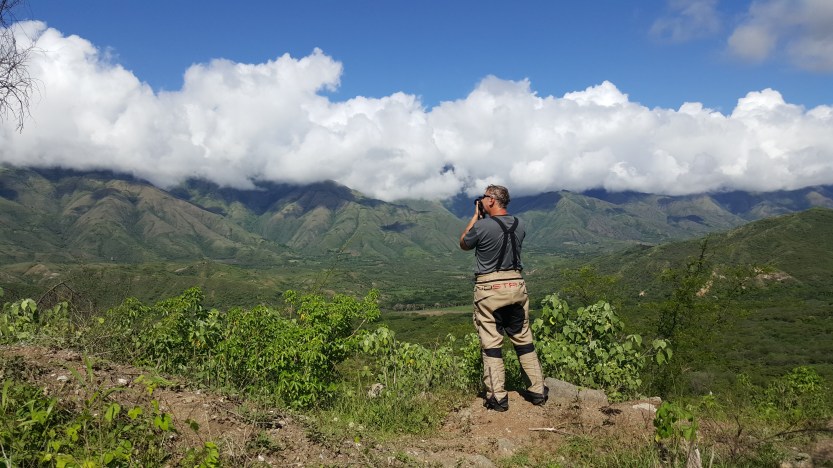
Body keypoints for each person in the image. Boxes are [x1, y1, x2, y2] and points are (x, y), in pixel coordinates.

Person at [459, 184, 548, 411]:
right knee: (523, 339)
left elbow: (464, 243)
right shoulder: (520, 225)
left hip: (489, 289)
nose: (481, 200)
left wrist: (475, 217)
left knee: (491, 343)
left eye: (483, 197)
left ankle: (498, 397)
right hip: (517, 285)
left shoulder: (482, 226)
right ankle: (537, 390)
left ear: (491, 200)